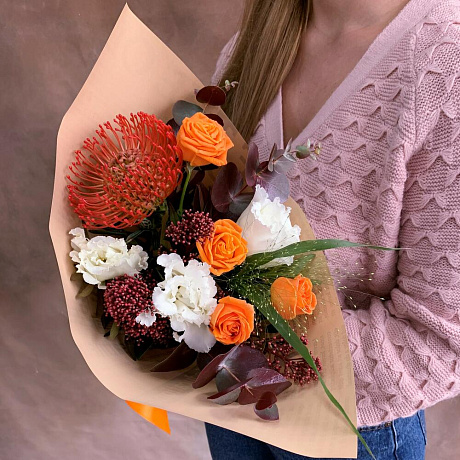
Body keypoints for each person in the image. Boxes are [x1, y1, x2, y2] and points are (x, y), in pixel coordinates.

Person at [206, 0, 460, 459]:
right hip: (230, 401)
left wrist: (265, 344)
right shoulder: (249, 48)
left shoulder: (446, 63)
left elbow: (442, 341)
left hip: (352, 425)